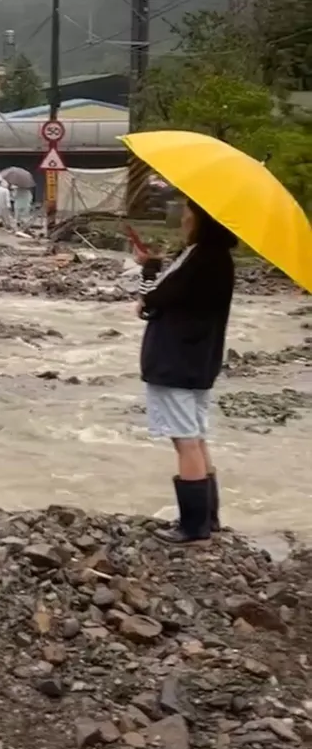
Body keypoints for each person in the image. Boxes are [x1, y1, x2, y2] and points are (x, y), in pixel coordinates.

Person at [135, 198, 237, 544]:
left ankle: (193, 528)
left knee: (186, 441)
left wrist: (148, 272)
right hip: (199, 359)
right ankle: (208, 518)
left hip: (176, 360)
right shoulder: (218, 258)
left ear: (203, 219)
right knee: (196, 435)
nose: (184, 217)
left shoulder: (199, 258)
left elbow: (153, 301)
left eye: (191, 210)